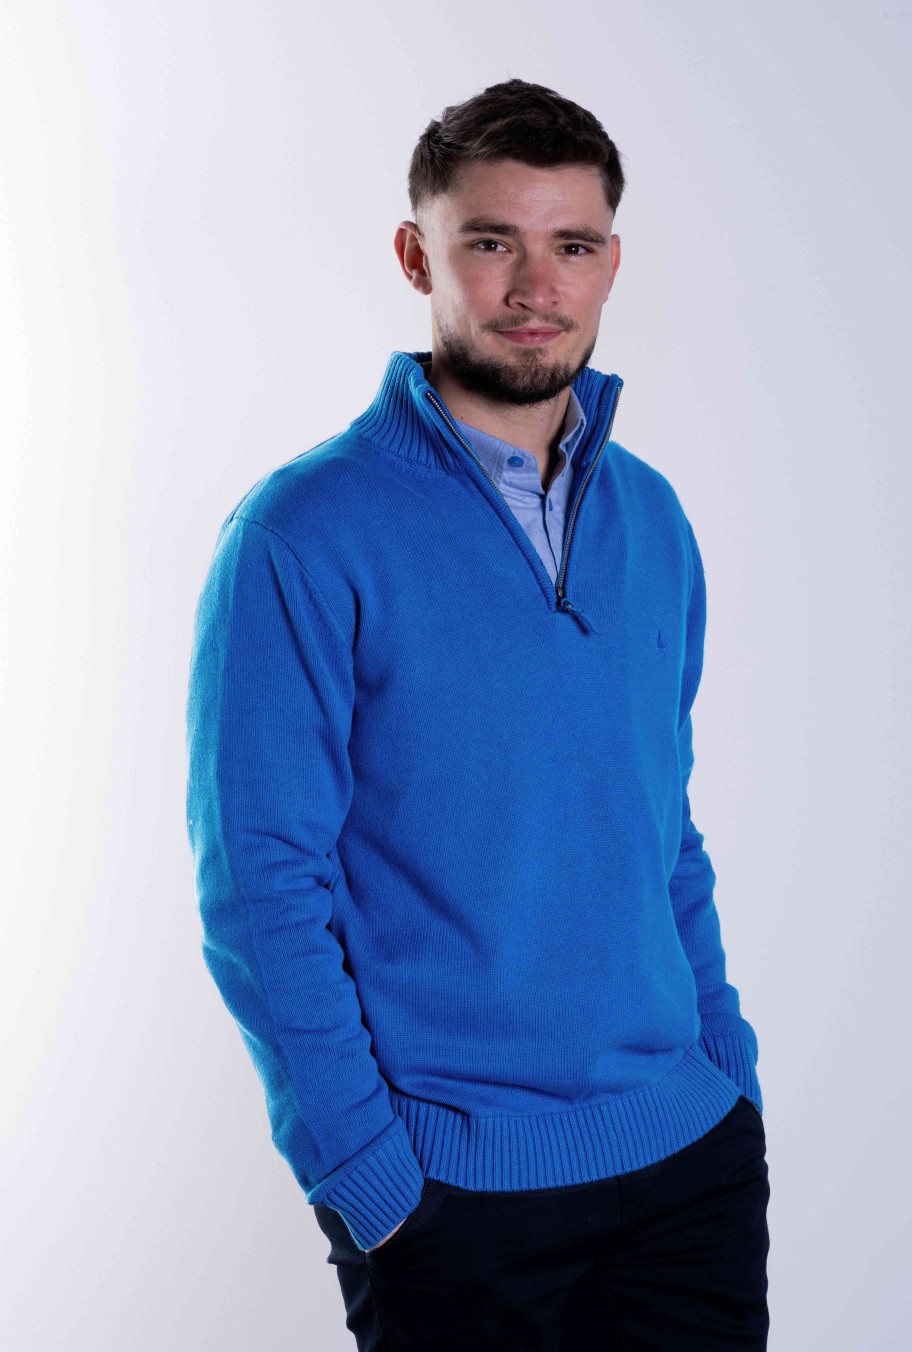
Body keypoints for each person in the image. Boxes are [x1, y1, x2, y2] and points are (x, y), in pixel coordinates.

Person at [185, 77, 770, 1351]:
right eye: (492, 241)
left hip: (688, 1165)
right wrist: (371, 1177)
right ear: (417, 255)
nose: (536, 286)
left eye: (573, 246)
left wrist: (727, 1070)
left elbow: (659, 825)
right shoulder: (302, 534)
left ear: (611, 263)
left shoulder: (652, 518)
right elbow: (260, 886)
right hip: (454, 1198)